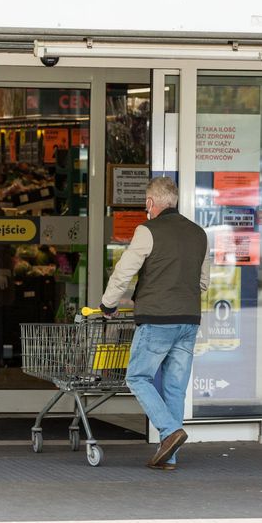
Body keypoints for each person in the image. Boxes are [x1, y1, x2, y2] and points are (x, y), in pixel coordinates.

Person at [99, 176, 210, 471]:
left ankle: (169, 430)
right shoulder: (199, 234)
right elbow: (203, 283)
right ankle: (168, 457)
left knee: (137, 377)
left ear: (150, 203)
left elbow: (123, 273)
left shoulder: (147, 231)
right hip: (189, 320)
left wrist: (108, 305)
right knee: (174, 388)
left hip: (157, 319)